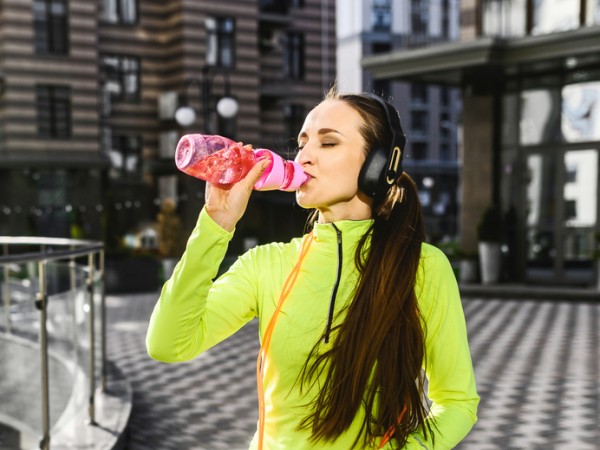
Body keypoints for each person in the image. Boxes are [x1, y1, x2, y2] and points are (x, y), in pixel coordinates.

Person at [146, 87, 479, 449]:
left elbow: (458, 403)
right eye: (302, 143)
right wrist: (215, 224)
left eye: (328, 143)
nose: (304, 156)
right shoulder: (267, 264)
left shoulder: (422, 268)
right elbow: (167, 344)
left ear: (379, 165)